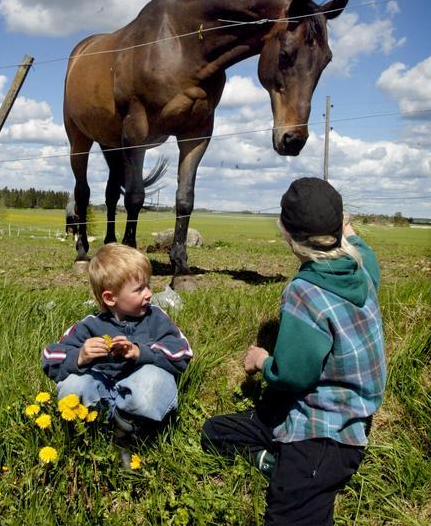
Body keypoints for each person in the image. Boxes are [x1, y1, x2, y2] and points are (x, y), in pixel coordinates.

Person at [201, 177, 386, 526]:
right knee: (217, 431)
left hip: (325, 436)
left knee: (286, 516)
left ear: (287, 234)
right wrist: (344, 227)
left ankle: (289, 469)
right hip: (349, 410)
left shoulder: (304, 292)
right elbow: (361, 246)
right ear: (340, 228)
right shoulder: (361, 266)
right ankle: (272, 461)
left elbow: (293, 374)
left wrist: (262, 361)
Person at [42, 243, 192, 450]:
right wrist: (80, 357)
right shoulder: (89, 325)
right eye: (139, 289)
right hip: (100, 395)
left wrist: (140, 352)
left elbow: (183, 352)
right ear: (110, 298)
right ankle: (90, 433)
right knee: (72, 386)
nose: (149, 294)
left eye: (148, 285)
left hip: (138, 398)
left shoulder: (156, 318)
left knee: (155, 381)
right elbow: (50, 356)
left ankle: (128, 433)